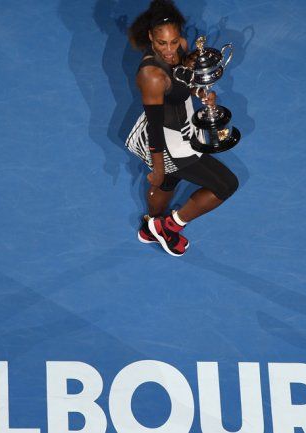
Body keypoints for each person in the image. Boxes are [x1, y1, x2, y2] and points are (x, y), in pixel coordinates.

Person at [125, 0, 239, 257]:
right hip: (170, 142)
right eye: (162, 43)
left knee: (169, 183)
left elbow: (182, 82)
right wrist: (158, 167)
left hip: (186, 126)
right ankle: (166, 226)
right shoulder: (151, 75)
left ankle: (149, 228)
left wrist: (200, 93)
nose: (170, 50)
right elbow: (154, 126)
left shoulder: (181, 49)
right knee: (226, 185)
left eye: (174, 41)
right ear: (150, 39)